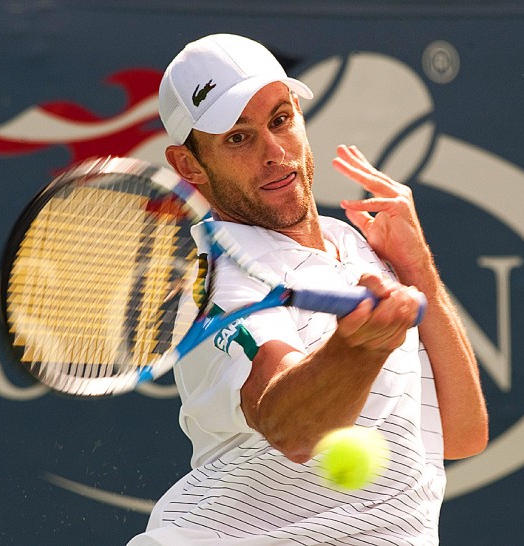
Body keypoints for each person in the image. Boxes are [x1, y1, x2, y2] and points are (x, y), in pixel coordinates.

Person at [128, 33, 488, 546]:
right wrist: (359, 347)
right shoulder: (219, 278)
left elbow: (463, 433)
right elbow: (291, 428)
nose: (274, 152)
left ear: (298, 113)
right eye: (238, 138)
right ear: (189, 166)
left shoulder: (361, 247)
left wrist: (417, 270)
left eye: (280, 119)